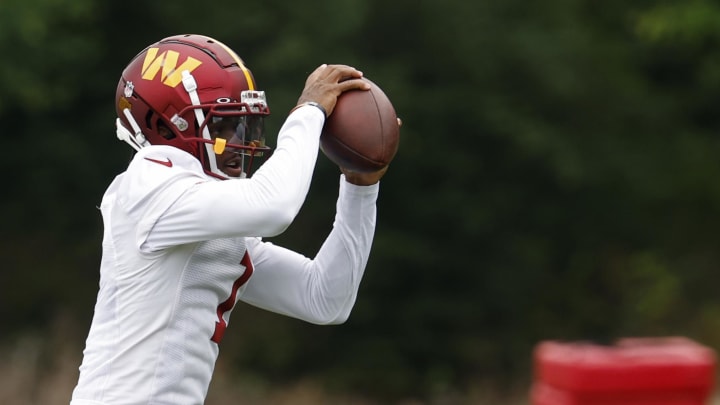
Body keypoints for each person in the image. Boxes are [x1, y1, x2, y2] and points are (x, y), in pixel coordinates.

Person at [70, 34, 389, 405]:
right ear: (163, 125)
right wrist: (308, 112)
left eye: (240, 125)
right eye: (221, 125)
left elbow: (324, 298)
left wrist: (359, 188)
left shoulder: (201, 216)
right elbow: (274, 207)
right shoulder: (148, 184)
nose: (239, 140)